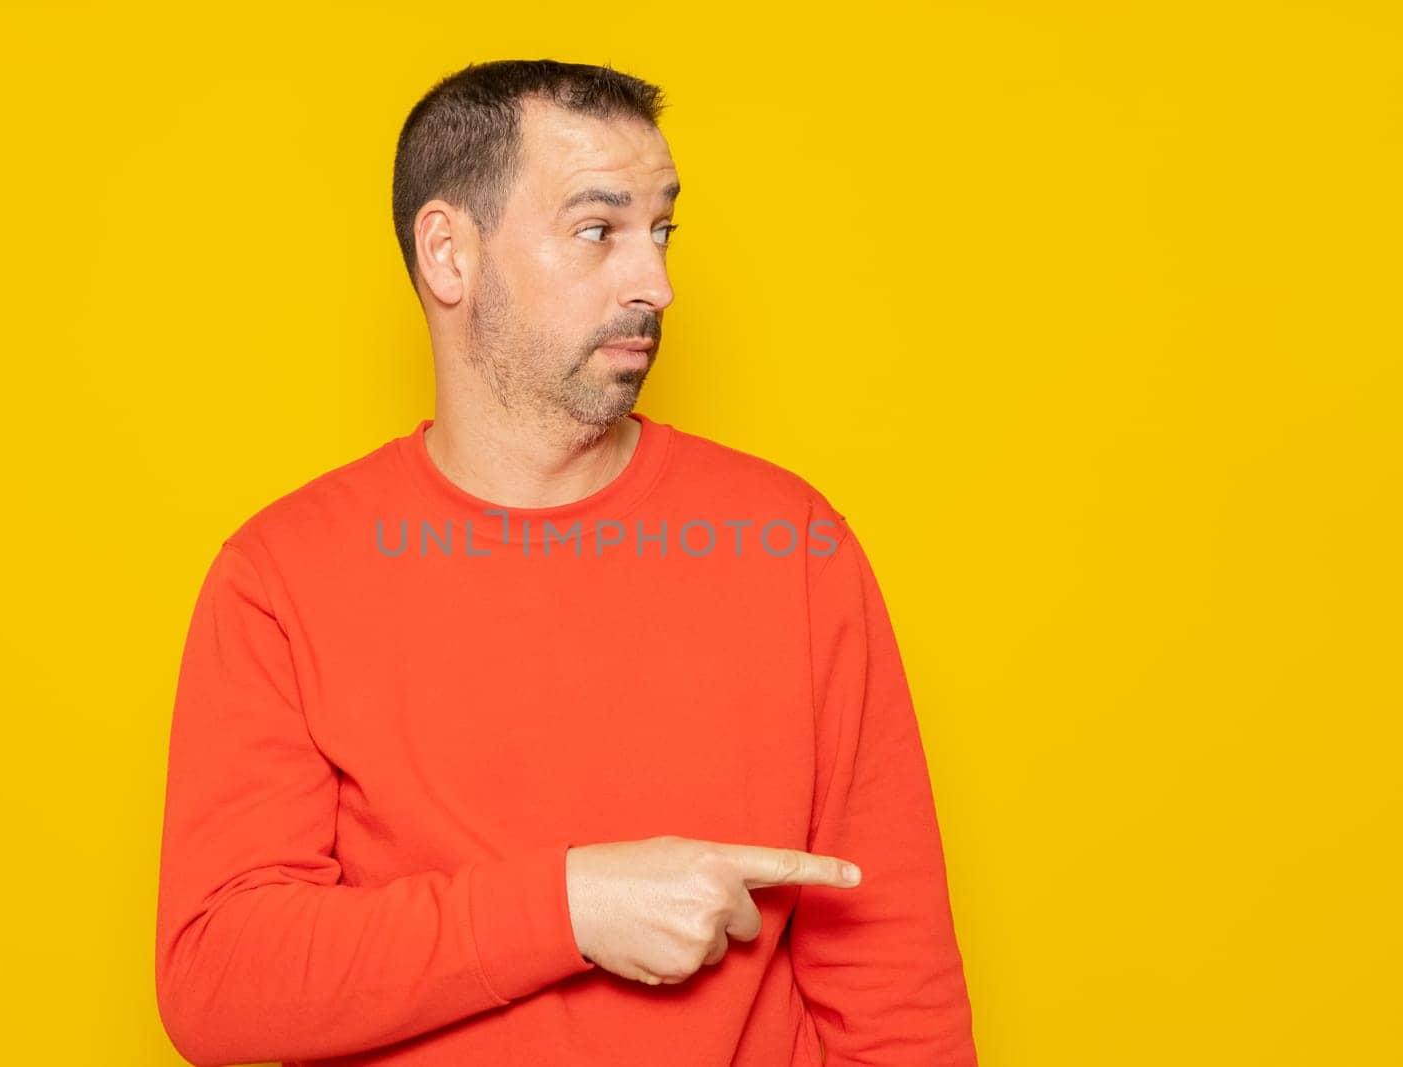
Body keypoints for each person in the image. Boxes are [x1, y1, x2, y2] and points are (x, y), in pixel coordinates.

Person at [155, 59, 977, 1066]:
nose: (656, 284)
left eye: (661, 230)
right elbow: (221, 979)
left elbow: (895, 987)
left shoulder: (793, 544)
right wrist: (570, 904)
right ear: (449, 255)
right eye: (598, 231)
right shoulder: (280, 576)